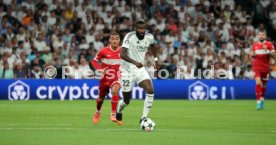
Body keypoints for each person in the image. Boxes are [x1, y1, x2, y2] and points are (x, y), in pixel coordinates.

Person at [116, 19, 159, 125]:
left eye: (143, 28)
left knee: (150, 90)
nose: (141, 30)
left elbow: (153, 46)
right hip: (127, 70)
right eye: (139, 28)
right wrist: (135, 62)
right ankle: (118, 110)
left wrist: (156, 60)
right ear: (135, 28)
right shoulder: (129, 37)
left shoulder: (149, 37)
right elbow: (122, 54)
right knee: (126, 101)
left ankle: (143, 118)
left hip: (140, 69)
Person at [91, 32, 122, 124]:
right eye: (112, 39)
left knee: (115, 90)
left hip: (117, 76)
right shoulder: (103, 51)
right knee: (100, 99)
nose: (115, 41)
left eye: (116, 39)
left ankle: (113, 114)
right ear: (109, 40)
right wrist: (100, 69)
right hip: (105, 77)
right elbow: (94, 61)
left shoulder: (123, 51)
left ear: (119, 40)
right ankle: (98, 112)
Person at [250, 31, 275, 110]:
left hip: (265, 68)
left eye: (262, 35)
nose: (261, 36)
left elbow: (274, 56)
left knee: (264, 85)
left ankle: (262, 99)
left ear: (265, 36)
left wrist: (267, 50)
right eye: (260, 35)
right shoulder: (255, 45)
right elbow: (252, 55)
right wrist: (252, 55)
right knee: (258, 82)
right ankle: (258, 102)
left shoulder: (269, 44)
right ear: (258, 36)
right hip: (257, 67)